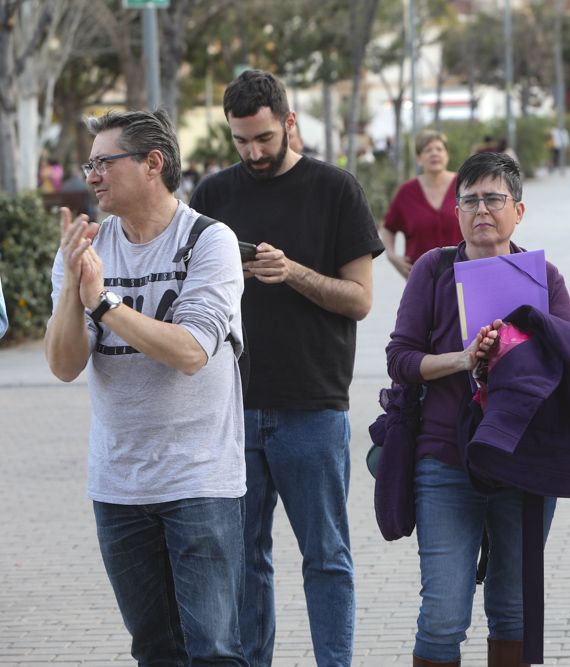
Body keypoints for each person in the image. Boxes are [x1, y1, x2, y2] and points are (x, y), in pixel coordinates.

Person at [190, 69, 384, 667]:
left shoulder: (336, 190)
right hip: (232, 408)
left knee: (326, 557)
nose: (253, 152)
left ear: (289, 122)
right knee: (243, 561)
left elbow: (361, 300)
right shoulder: (214, 196)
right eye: (241, 140)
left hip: (313, 407)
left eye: (265, 138)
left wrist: (292, 271)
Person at [43, 109, 247, 664]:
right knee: (154, 650)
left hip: (199, 479)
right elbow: (63, 365)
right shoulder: (86, 246)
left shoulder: (209, 241)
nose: (92, 175)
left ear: (152, 163)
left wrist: (104, 303)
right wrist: (70, 289)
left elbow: (190, 351)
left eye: (104, 162)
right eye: (90, 164)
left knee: (215, 651)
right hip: (118, 485)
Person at [385, 152, 570, 666]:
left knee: (514, 612)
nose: (481, 210)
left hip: (522, 461)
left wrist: (522, 349)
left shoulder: (546, 278)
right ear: (457, 212)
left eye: (494, 199)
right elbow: (399, 358)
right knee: (444, 615)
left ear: (519, 210)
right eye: (469, 200)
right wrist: (462, 359)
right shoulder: (433, 270)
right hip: (446, 459)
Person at [381, 130, 462, 279]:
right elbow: (388, 228)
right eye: (428, 150)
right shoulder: (406, 192)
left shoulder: (464, 186)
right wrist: (391, 256)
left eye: (439, 149)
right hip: (421, 279)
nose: (434, 154)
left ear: (447, 154)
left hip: (462, 276)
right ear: (419, 158)